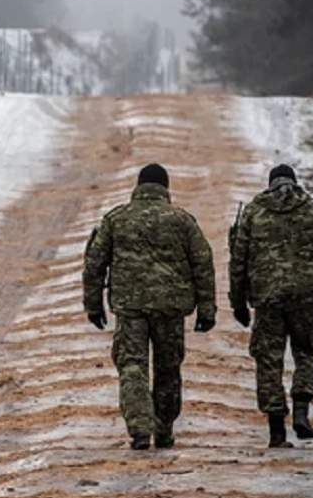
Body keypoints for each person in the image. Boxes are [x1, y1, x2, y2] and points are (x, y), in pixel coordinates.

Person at [83, 163, 216, 450]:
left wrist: (93, 304)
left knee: (132, 365)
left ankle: (140, 429)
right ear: (165, 189)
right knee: (168, 368)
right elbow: (202, 264)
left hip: (131, 309)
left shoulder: (116, 219)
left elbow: (94, 263)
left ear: (138, 187)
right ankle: (164, 428)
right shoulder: (182, 220)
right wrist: (207, 309)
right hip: (170, 309)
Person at [228, 164, 313, 448]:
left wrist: (237, 302)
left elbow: (238, 261)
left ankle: (276, 430)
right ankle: (301, 410)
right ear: (295, 183)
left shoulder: (253, 213)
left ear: (270, 184)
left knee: (268, 361)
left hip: (267, 301)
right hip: (304, 299)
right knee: (306, 352)